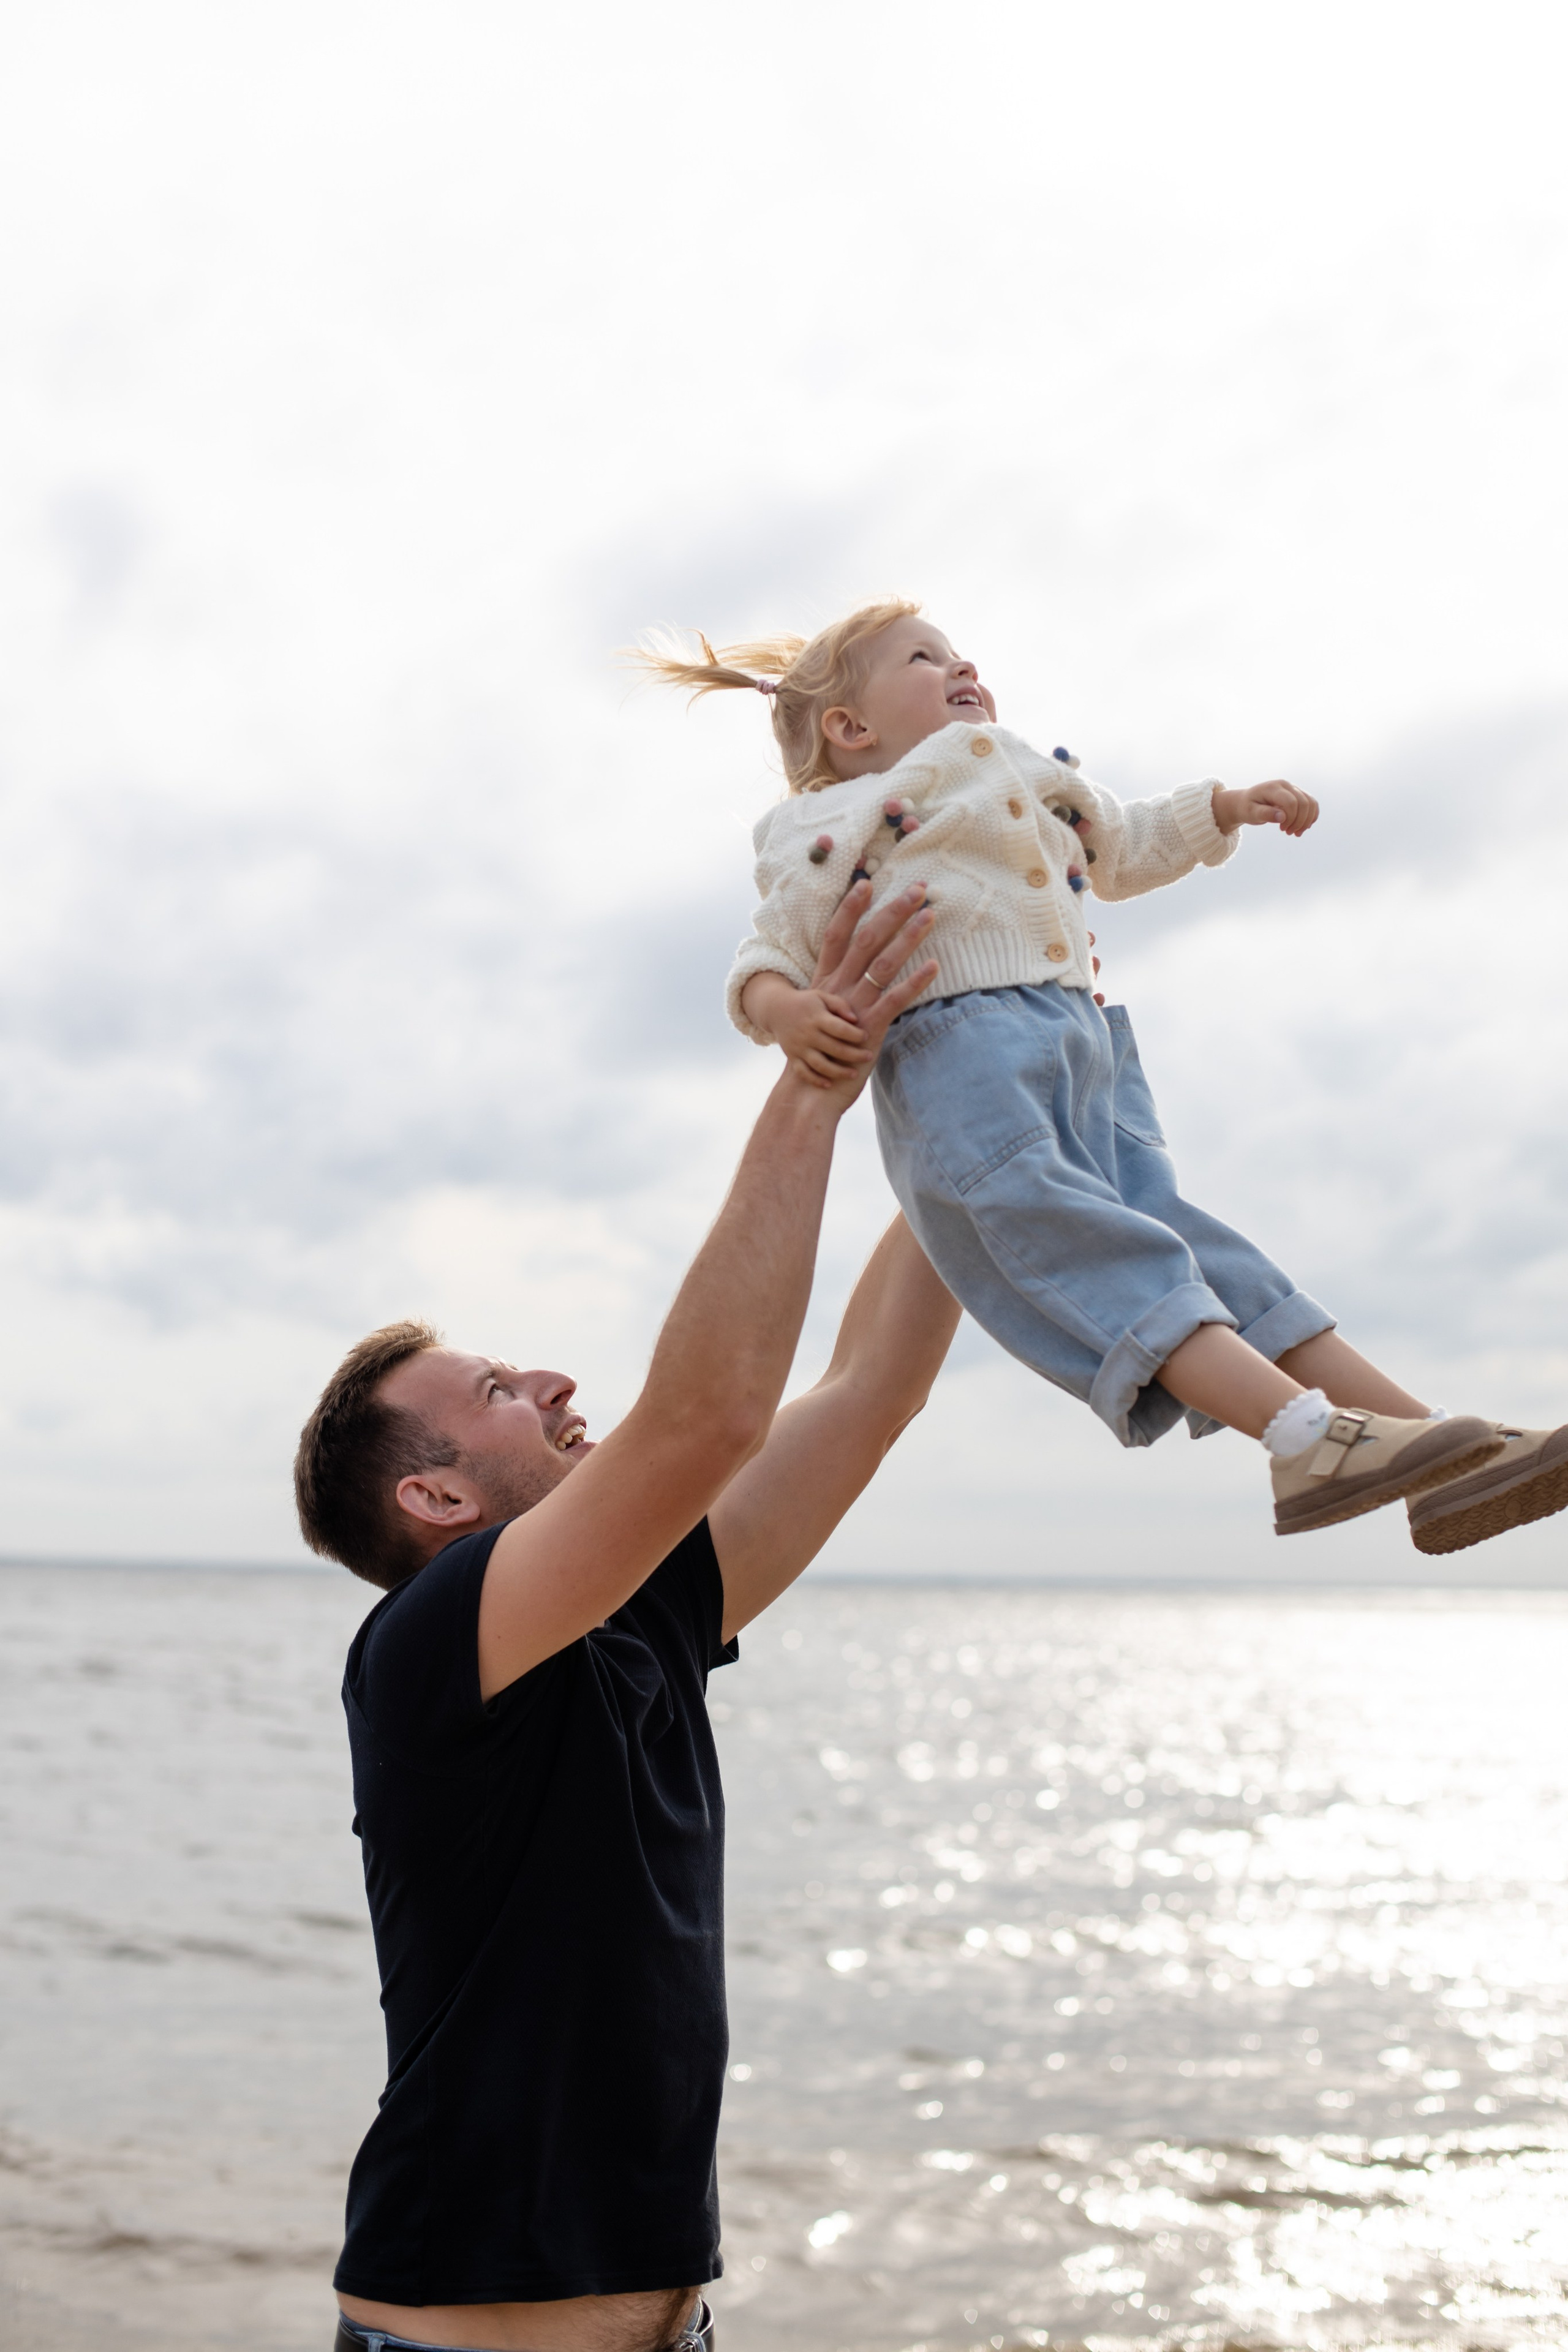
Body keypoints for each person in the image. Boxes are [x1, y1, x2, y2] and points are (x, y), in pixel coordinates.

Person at [292, 882, 961, 2352]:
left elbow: (870, 1388)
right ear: (440, 1505)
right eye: (494, 1394)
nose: (548, 1384)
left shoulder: (644, 1616)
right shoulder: (425, 1653)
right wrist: (811, 1078)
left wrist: (984, 1068)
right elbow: (708, 1415)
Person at [638, 601, 1568, 1555]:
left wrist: (1221, 808)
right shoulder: (831, 816)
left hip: (1084, 1051)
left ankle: (1452, 1458)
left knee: (1203, 1253)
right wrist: (787, 1012)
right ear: (850, 728)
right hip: (960, 1061)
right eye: (926, 659)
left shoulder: (1031, 774)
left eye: (963, 654)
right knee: (1105, 1253)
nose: (964, 667)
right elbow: (767, 953)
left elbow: (1121, 844)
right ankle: (1302, 1439)